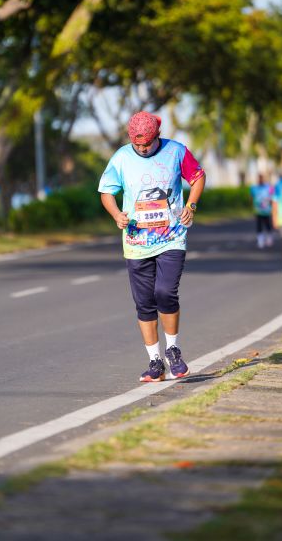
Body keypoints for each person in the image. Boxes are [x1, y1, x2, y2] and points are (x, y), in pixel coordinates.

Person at [98, 111, 206, 382]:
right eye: (138, 145)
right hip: (136, 242)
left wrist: (191, 206)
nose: (143, 149)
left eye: (147, 143)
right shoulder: (121, 158)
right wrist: (116, 214)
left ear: (157, 135)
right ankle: (155, 361)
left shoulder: (176, 151)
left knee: (165, 292)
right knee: (144, 302)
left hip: (172, 237)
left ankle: (173, 350)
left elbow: (197, 176)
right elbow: (106, 192)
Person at [250, 174, 273, 248]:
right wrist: (252, 206)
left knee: (267, 224)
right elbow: (251, 197)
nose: (260, 180)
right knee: (259, 225)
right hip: (258, 210)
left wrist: (272, 205)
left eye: (262, 178)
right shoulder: (253, 188)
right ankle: (260, 240)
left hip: (267, 210)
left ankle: (269, 237)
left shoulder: (268, 187)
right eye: (259, 178)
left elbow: (272, 197)